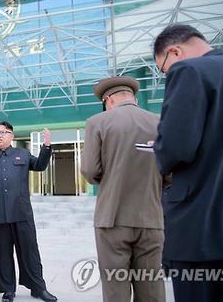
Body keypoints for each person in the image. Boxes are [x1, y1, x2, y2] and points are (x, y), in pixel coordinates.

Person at [153, 24, 223, 302]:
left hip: (201, 226)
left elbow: (176, 149)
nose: (166, 74)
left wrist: (159, 149)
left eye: (163, 69)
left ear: (174, 51)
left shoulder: (189, 71)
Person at [81, 76, 165, 302]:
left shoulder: (98, 122)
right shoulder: (159, 122)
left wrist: (112, 181)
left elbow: (89, 170)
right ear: (134, 98)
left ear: (108, 100)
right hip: (151, 217)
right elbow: (171, 171)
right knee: (151, 285)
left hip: (112, 217)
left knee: (115, 287)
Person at [0, 121, 57, 302]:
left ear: (12, 136)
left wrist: (47, 146)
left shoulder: (22, 154)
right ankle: (8, 290)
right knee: (2, 253)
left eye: (4, 132)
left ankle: (38, 288)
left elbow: (40, 165)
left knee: (30, 252)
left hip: (21, 212)